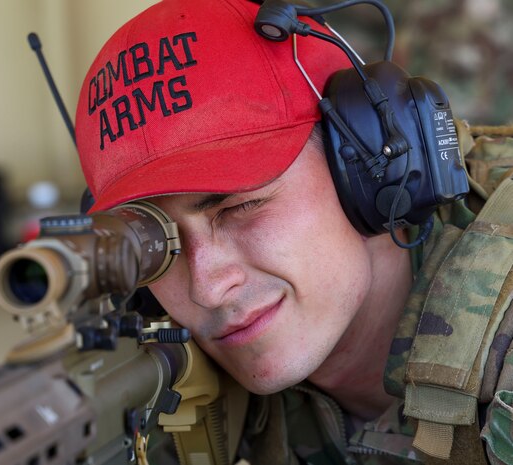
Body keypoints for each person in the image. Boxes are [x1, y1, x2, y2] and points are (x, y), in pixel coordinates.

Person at [73, 0, 513, 464]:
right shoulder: (165, 378)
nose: (207, 288)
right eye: (157, 244)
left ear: (370, 169)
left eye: (241, 206)